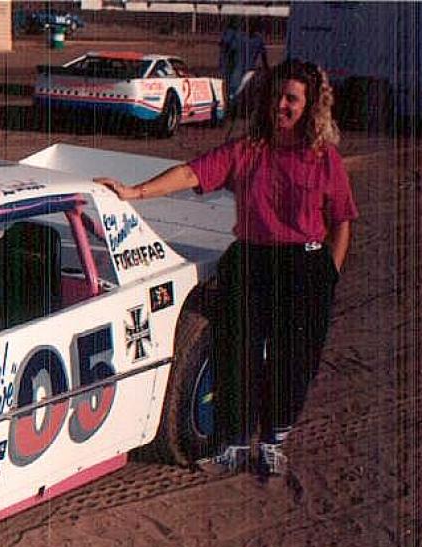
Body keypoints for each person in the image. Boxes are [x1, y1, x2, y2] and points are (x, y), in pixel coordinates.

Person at [95, 59, 358, 477]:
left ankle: (271, 442)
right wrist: (134, 192)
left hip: (304, 268)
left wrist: (330, 273)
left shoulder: (324, 159)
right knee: (238, 355)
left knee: (293, 362)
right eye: (276, 96)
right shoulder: (248, 151)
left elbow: (342, 220)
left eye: (291, 99)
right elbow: (191, 173)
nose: (281, 105)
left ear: (310, 106)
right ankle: (232, 442)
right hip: (252, 261)